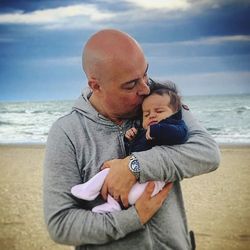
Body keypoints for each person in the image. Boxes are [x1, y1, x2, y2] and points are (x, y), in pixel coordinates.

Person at [43, 29, 220, 250]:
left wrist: (134, 166)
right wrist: (135, 218)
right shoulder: (67, 132)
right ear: (96, 85)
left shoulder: (160, 100)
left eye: (145, 74)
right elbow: (61, 224)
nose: (145, 88)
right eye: (131, 85)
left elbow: (207, 153)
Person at [71, 82, 188, 214]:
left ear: (176, 113)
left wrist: (157, 130)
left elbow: (180, 134)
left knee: (134, 194)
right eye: (146, 114)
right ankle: (89, 190)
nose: (152, 116)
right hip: (128, 169)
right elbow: (134, 150)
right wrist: (130, 139)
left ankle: (114, 205)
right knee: (108, 171)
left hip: (154, 179)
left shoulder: (175, 124)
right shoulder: (144, 130)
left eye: (159, 111)